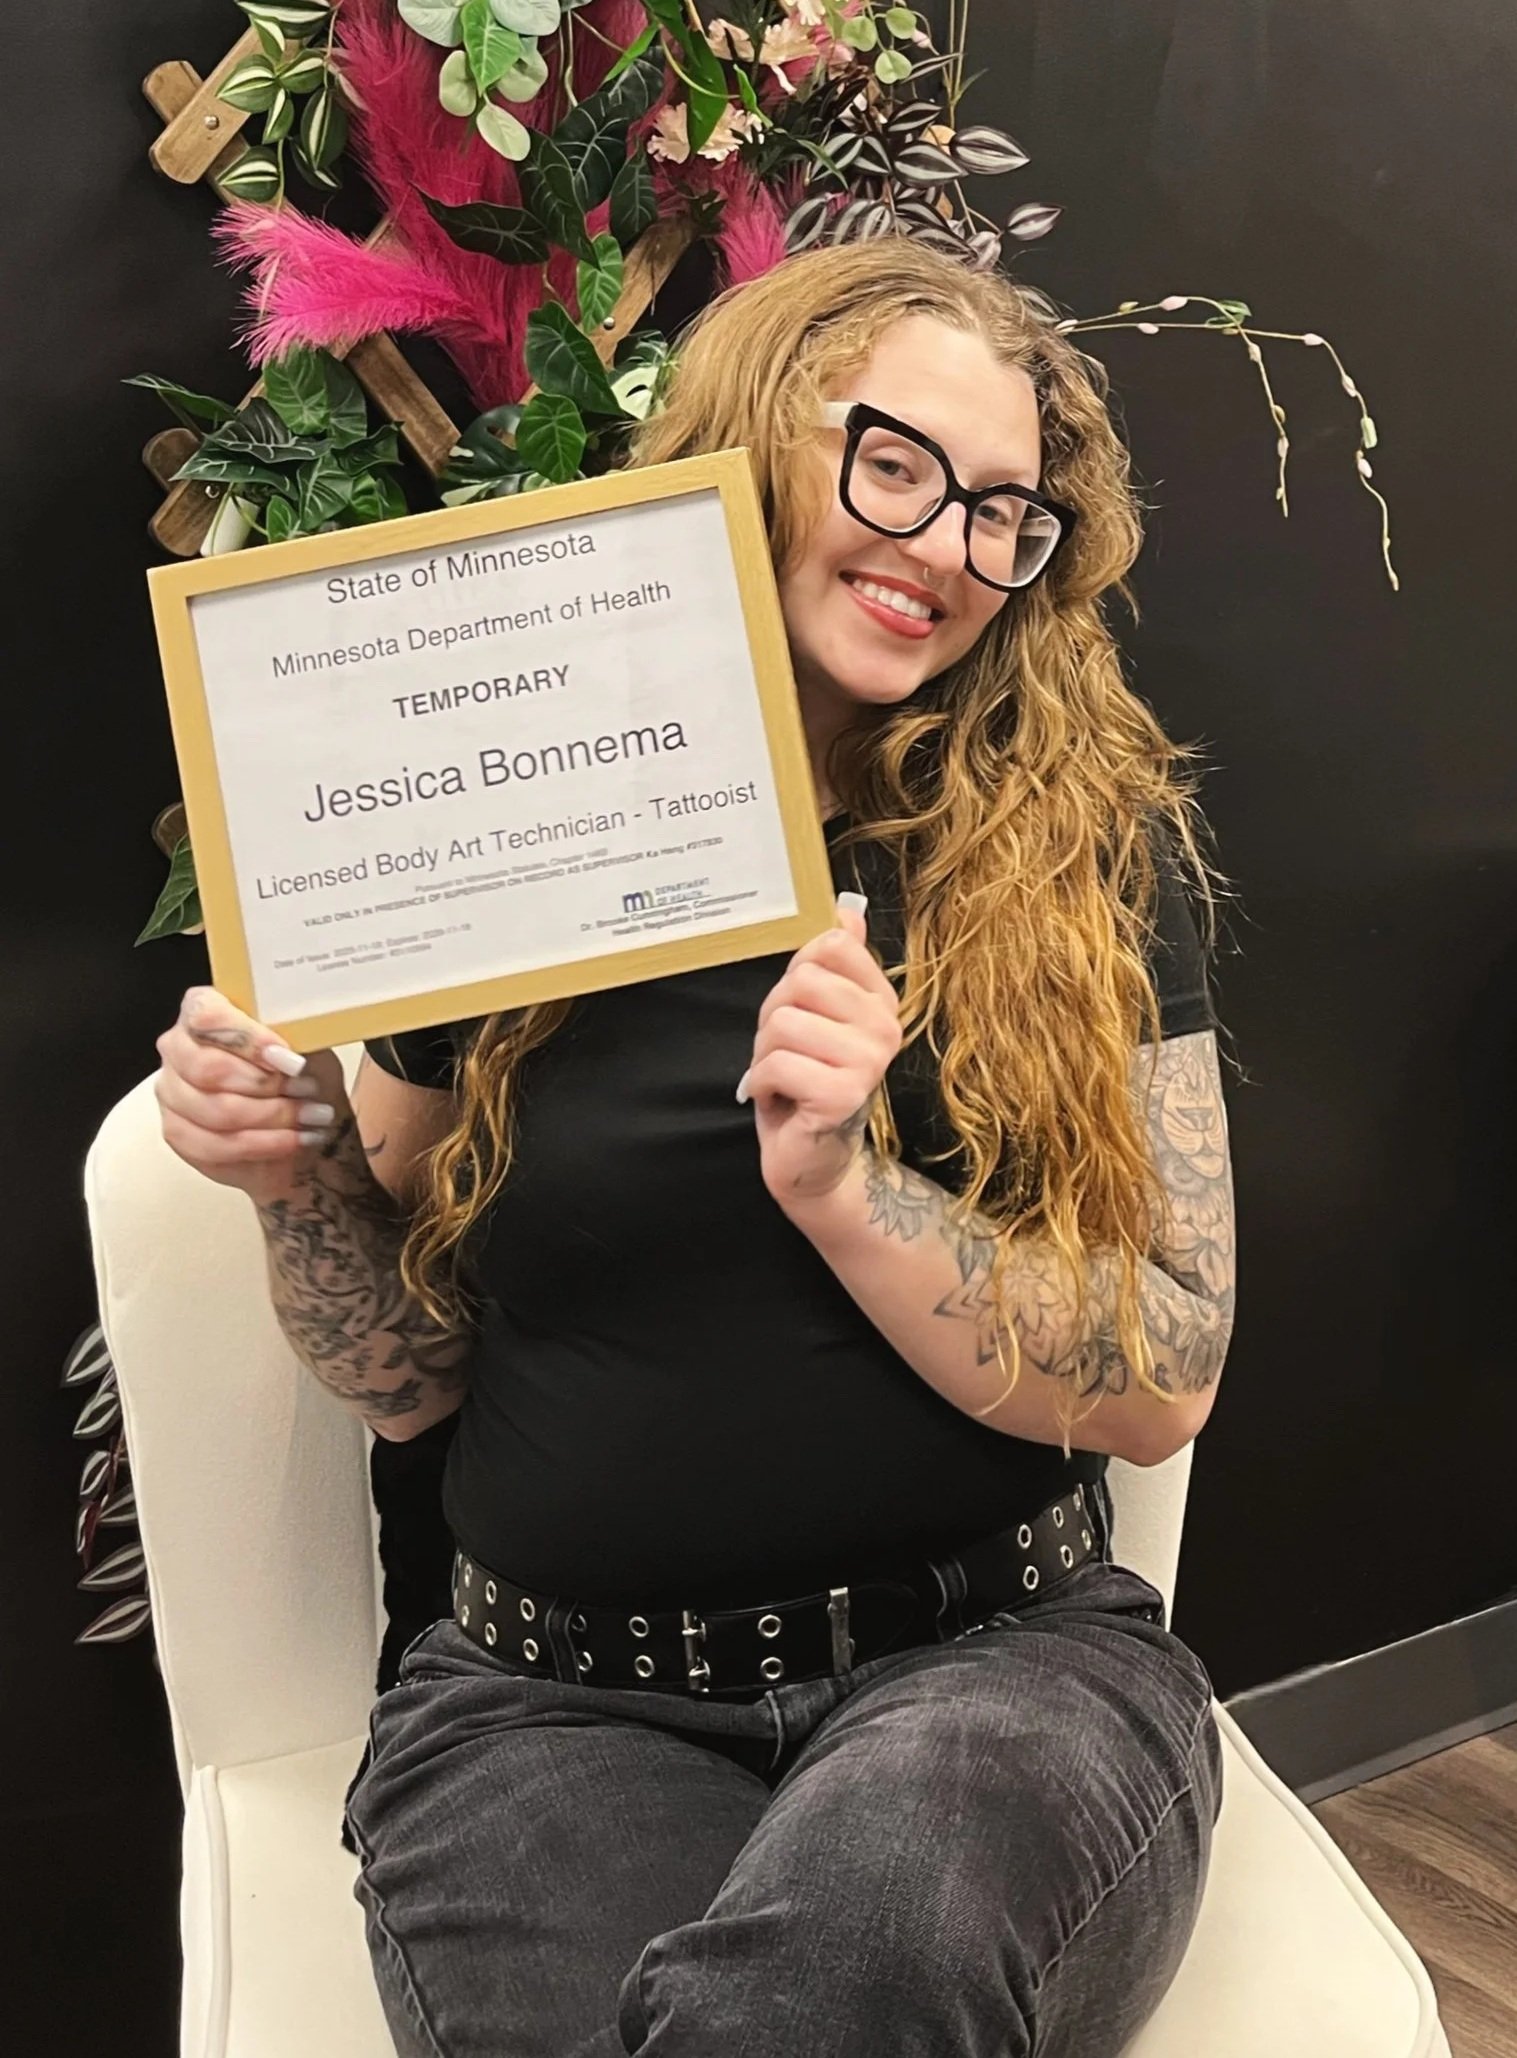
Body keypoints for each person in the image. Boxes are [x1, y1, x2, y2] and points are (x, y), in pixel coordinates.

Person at [154, 239, 1236, 2058]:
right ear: (753, 435)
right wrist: (294, 1179)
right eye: (894, 463)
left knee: (843, 1974)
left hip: (1001, 1676)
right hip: (546, 1710)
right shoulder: (498, 828)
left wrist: (851, 1188)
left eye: (1003, 513)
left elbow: (1164, 1370)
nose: (947, 549)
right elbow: (408, 1383)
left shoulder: (1081, 865)